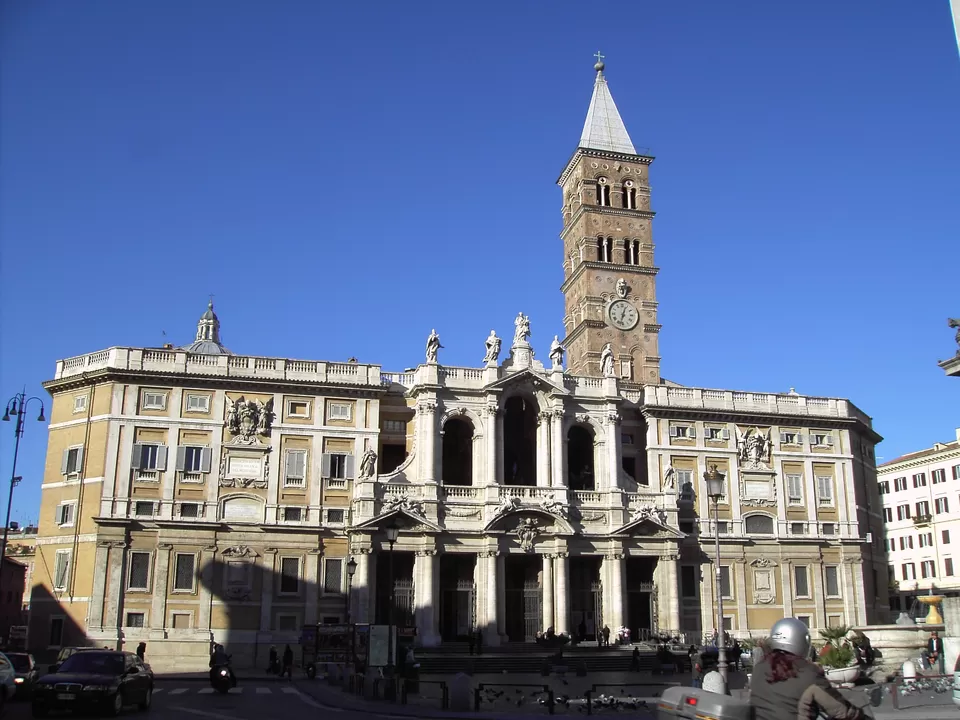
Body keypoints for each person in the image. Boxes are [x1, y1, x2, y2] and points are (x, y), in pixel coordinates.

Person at [750, 618, 866, 720]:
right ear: (802, 640)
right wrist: (860, 715)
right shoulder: (808, 672)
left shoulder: (759, 668)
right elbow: (841, 710)